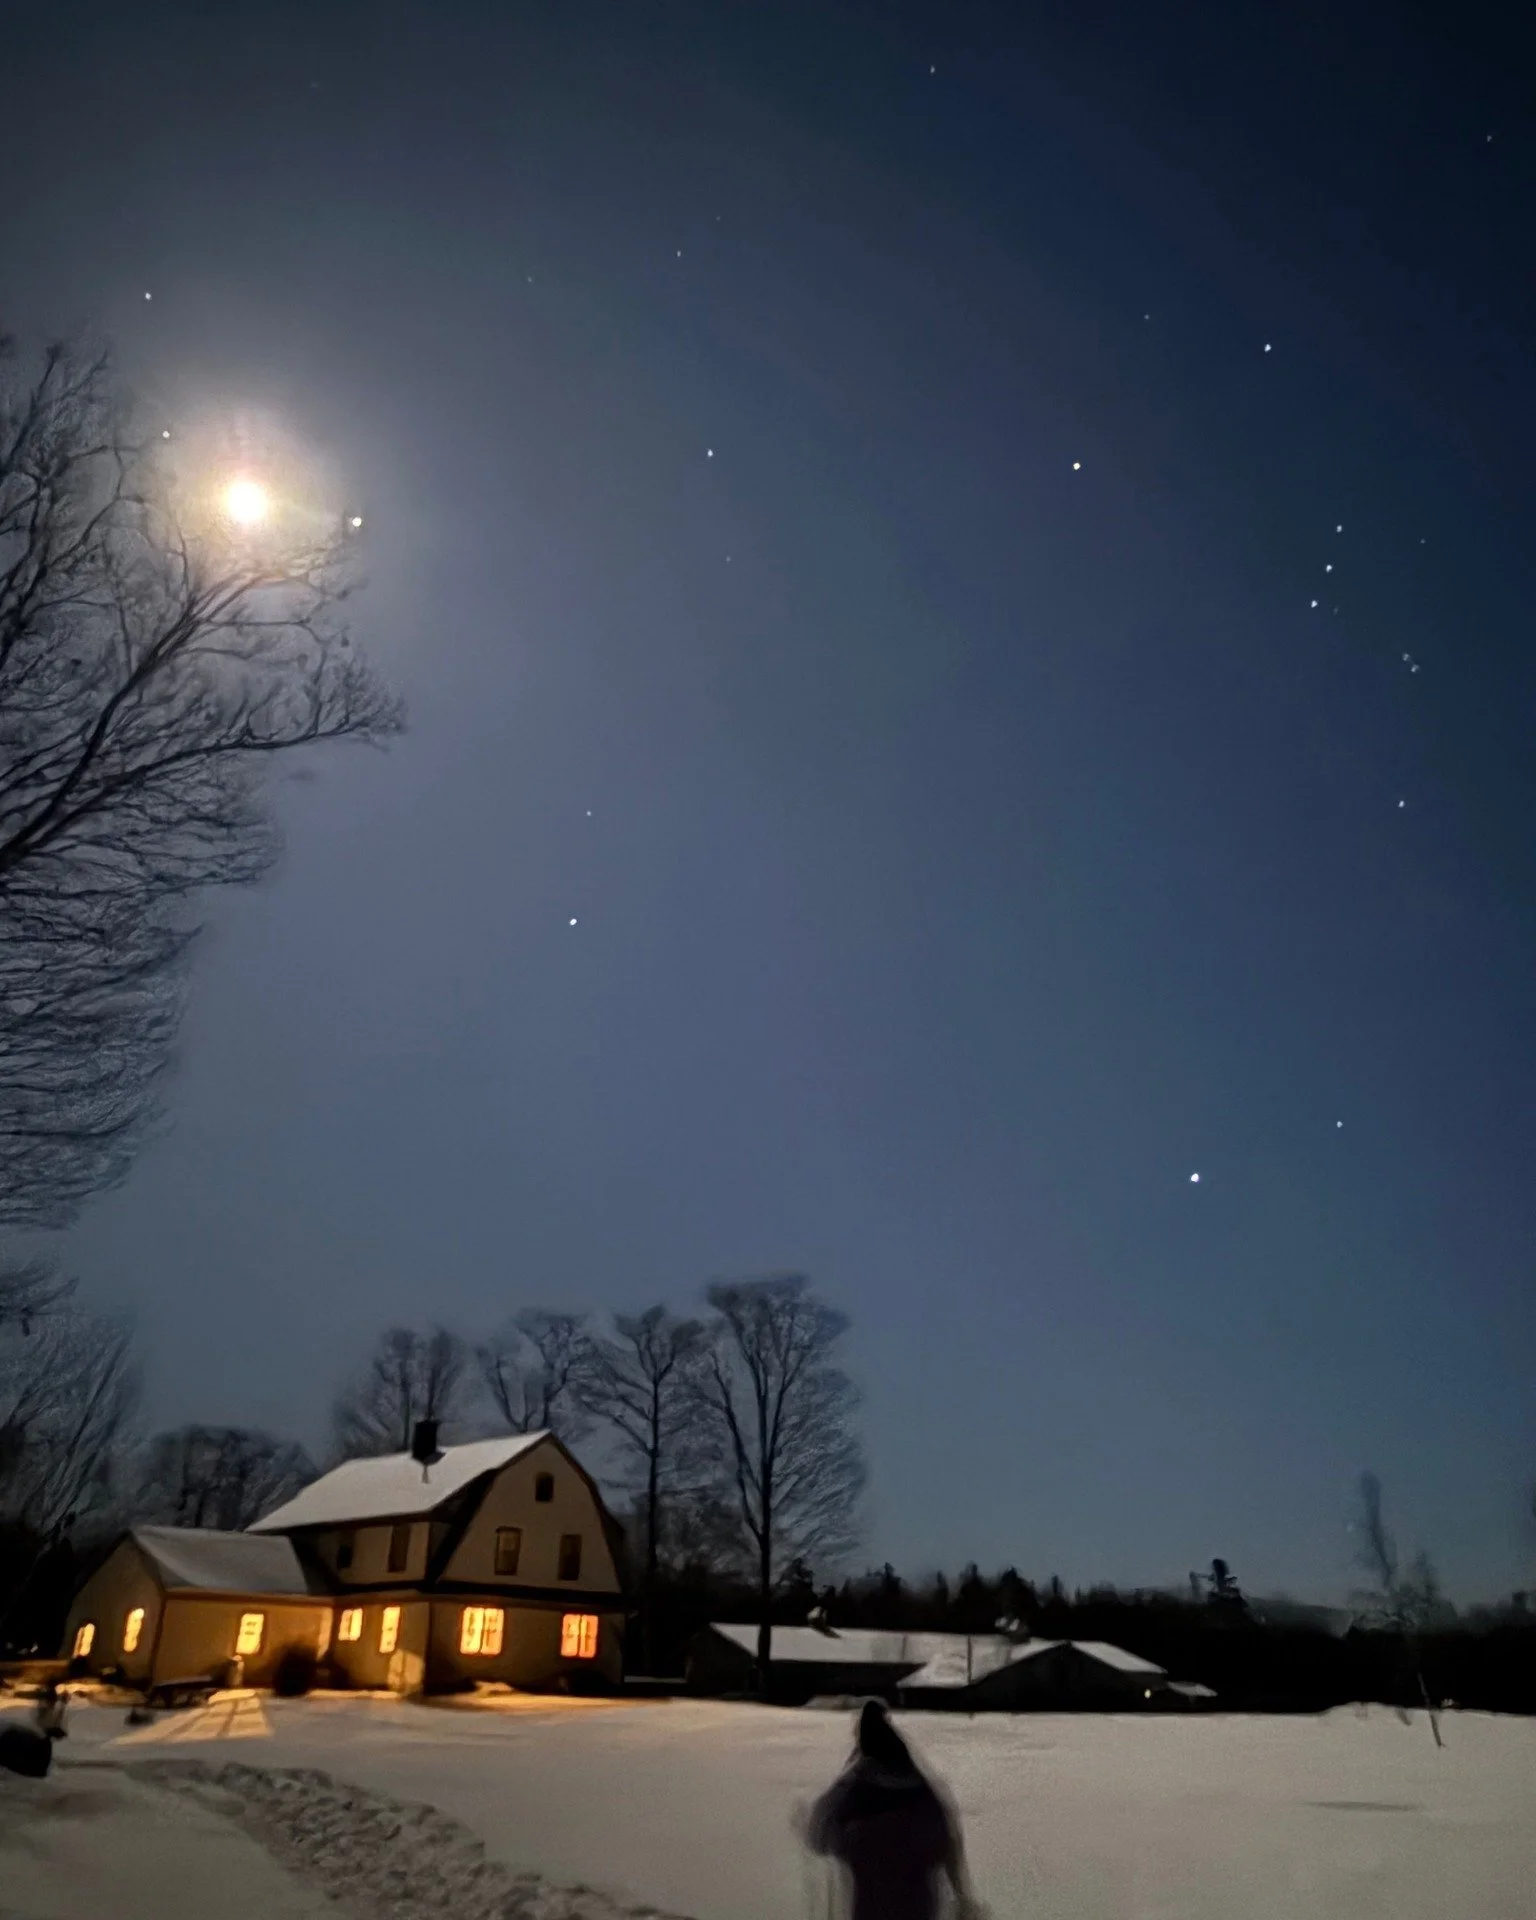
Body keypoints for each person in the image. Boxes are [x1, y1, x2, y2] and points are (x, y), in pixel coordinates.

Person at [804, 1700, 980, 1920]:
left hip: (871, 1905)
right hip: (920, 1906)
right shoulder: (920, 1786)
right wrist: (961, 1893)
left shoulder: (855, 1788)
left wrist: (851, 1845)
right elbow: (946, 1841)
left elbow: (819, 1835)